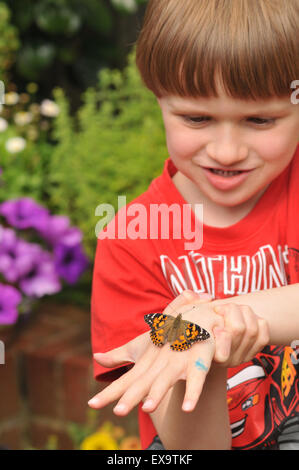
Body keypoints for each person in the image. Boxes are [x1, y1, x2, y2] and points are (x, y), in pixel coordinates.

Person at [88, 0, 299, 450]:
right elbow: (190, 449)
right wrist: (201, 352)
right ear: (157, 97)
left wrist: (211, 318)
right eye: (197, 118)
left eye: (260, 119)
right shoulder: (131, 240)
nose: (226, 151)